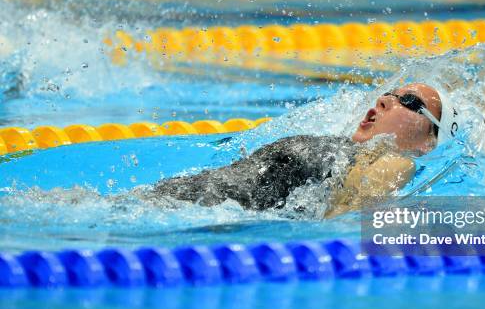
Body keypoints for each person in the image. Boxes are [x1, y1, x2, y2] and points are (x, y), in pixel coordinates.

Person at [152, 83, 461, 217]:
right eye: (390, 93)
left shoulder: (396, 162)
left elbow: (344, 220)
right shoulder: (353, 154)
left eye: (409, 102)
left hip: (185, 204)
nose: (383, 100)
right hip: (187, 202)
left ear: (428, 142)